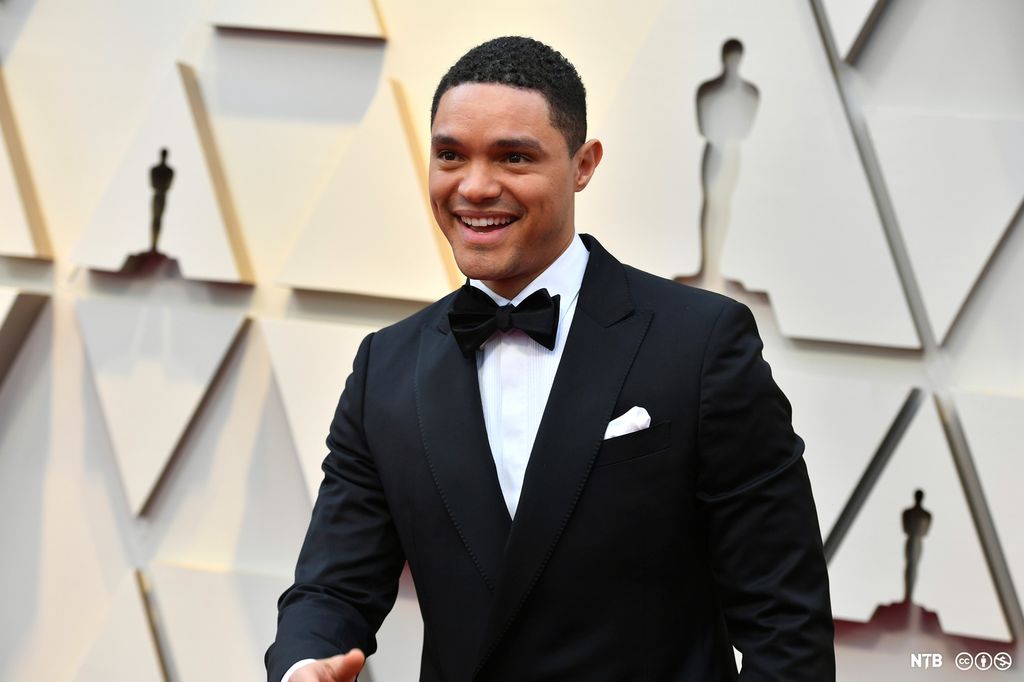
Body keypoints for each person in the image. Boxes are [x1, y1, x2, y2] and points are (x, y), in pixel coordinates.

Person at [268, 36, 835, 682]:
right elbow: (332, 588)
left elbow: (784, 621)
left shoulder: (702, 345)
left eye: (514, 157)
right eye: (450, 155)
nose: (475, 187)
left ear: (583, 164)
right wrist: (304, 667)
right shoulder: (385, 368)